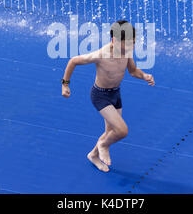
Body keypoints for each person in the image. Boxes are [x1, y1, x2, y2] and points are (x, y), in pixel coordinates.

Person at [61, 20, 155, 172]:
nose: (131, 48)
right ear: (114, 40)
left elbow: (132, 71)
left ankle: (93, 155)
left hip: (115, 94)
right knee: (122, 131)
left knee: (110, 132)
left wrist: (144, 75)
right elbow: (74, 61)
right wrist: (65, 84)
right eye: (127, 44)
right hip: (100, 96)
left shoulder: (126, 51)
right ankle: (103, 145)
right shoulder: (101, 55)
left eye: (133, 43)